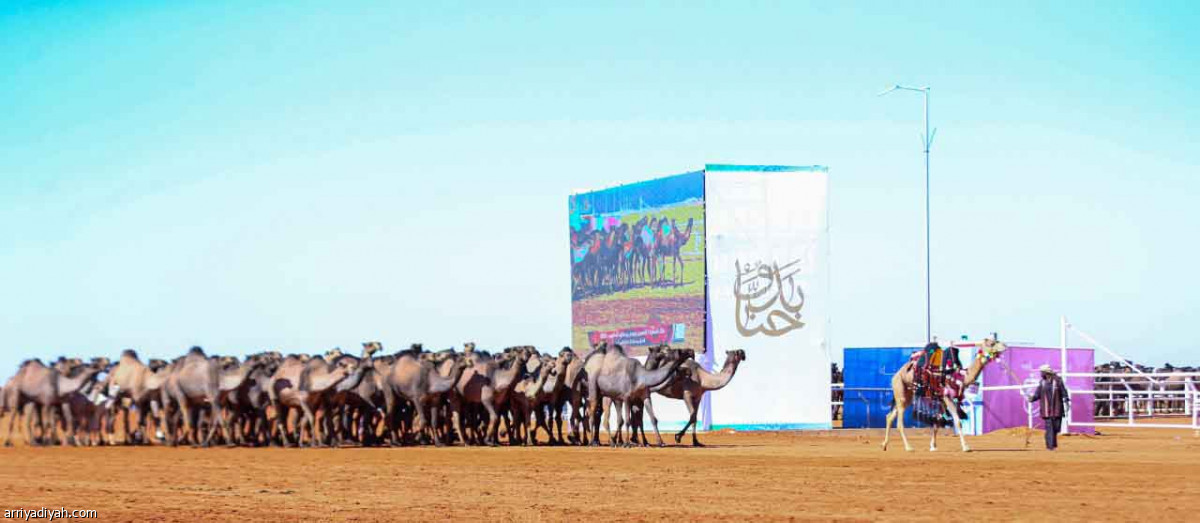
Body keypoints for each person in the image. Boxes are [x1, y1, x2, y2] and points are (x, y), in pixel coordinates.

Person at [1029, 364, 1071, 450]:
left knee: (1056, 428)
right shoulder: (1042, 382)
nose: (1041, 373)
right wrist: (1032, 398)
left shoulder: (1058, 380)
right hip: (1046, 409)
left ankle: (1053, 444)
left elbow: (1063, 391)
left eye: (1042, 372)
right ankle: (1050, 446)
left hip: (1057, 408)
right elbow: (1038, 394)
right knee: (1049, 427)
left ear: (1046, 372)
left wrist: (1066, 399)